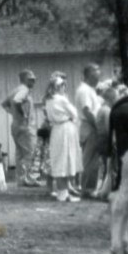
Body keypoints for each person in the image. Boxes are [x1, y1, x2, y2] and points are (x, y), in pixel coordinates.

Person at [44, 75, 82, 203]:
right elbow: (74, 113)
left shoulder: (48, 100)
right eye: (63, 86)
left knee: (60, 158)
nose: (65, 88)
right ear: (58, 87)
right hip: (65, 129)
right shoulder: (61, 99)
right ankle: (63, 193)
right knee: (66, 158)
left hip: (56, 130)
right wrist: (71, 118)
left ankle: (62, 192)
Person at [1, 69, 41, 187]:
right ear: (24, 79)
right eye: (30, 79)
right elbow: (17, 101)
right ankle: (30, 179)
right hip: (26, 126)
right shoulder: (24, 90)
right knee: (30, 152)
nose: (33, 82)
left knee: (19, 153)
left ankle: (21, 179)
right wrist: (23, 114)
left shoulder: (16, 90)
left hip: (16, 125)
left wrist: (14, 114)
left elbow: (4, 104)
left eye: (34, 80)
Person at [75, 63, 102, 196]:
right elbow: (87, 111)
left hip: (91, 125)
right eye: (95, 74)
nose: (98, 77)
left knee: (94, 159)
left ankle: (89, 187)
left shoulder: (90, 89)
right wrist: (98, 126)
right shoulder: (84, 90)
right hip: (90, 126)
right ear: (88, 75)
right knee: (89, 159)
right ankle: (85, 188)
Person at [91, 79, 119, 201]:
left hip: (100, 140)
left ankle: (100, 190)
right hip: (106, 142)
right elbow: (109, 129)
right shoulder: (107, 111)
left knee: (103, 168)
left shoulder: (101, 109)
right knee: (108, 168)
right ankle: (104, 192)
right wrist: (114, 141)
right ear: (111, 99)